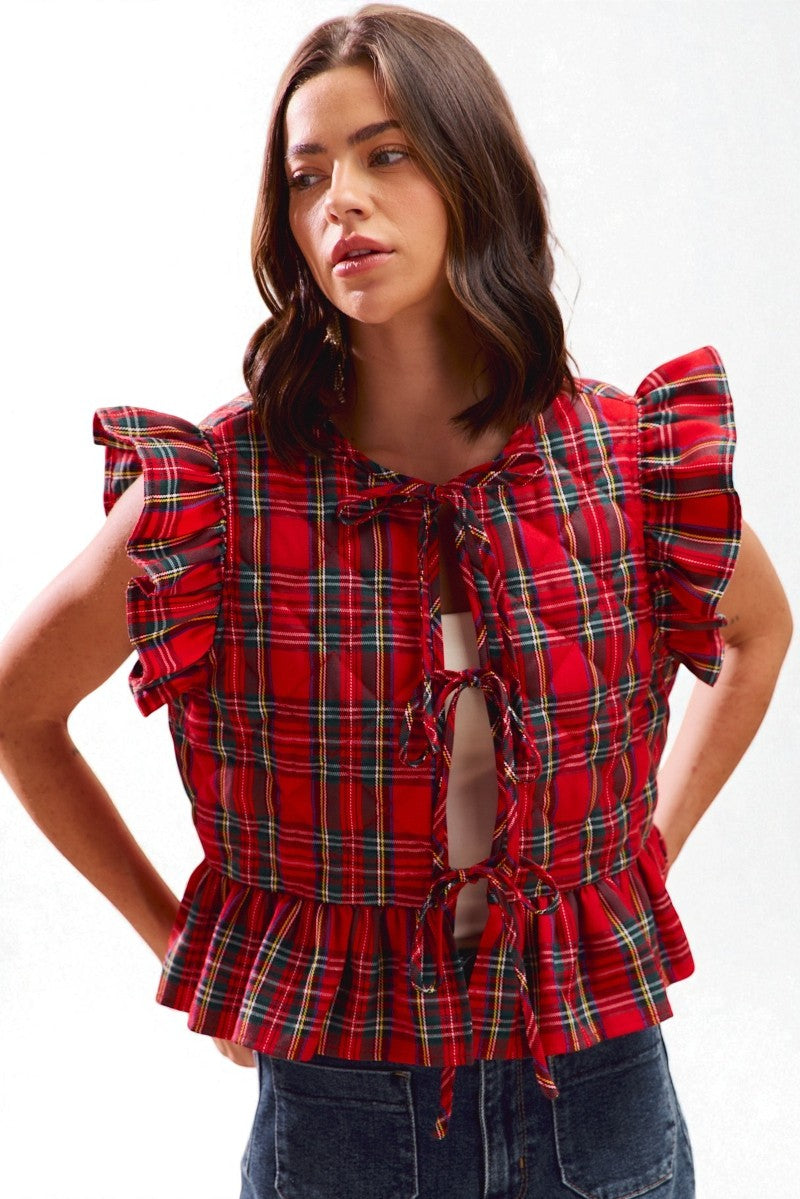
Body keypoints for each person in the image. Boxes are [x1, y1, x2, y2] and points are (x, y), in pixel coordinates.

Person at [0, 4, 792, 1197]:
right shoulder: (225, 492)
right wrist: (184, 945)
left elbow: (757, 630)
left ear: (471, 171)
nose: (339, 202)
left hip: (599, 1075)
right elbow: (17, 708)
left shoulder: (620, 458)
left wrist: (649, 851)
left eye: (385, 153)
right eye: (306, 175)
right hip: (338, 1096)